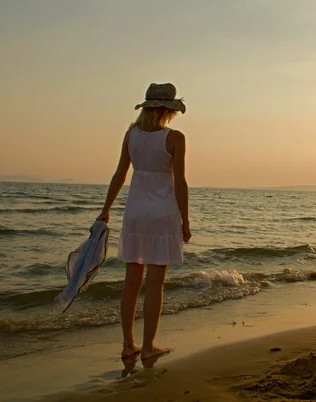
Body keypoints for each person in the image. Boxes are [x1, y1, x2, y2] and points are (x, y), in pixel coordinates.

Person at [97, 82, 191, 360]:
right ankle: (149, 347)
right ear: (168, 110)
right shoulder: (175, 138)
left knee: (131, 283)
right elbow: (181, 183)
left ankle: (128, 344)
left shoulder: (130, 135)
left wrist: (106, 209)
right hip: (163, 214)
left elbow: (119, 175)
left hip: (136, 213)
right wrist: (185, 220)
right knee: (155, 284)